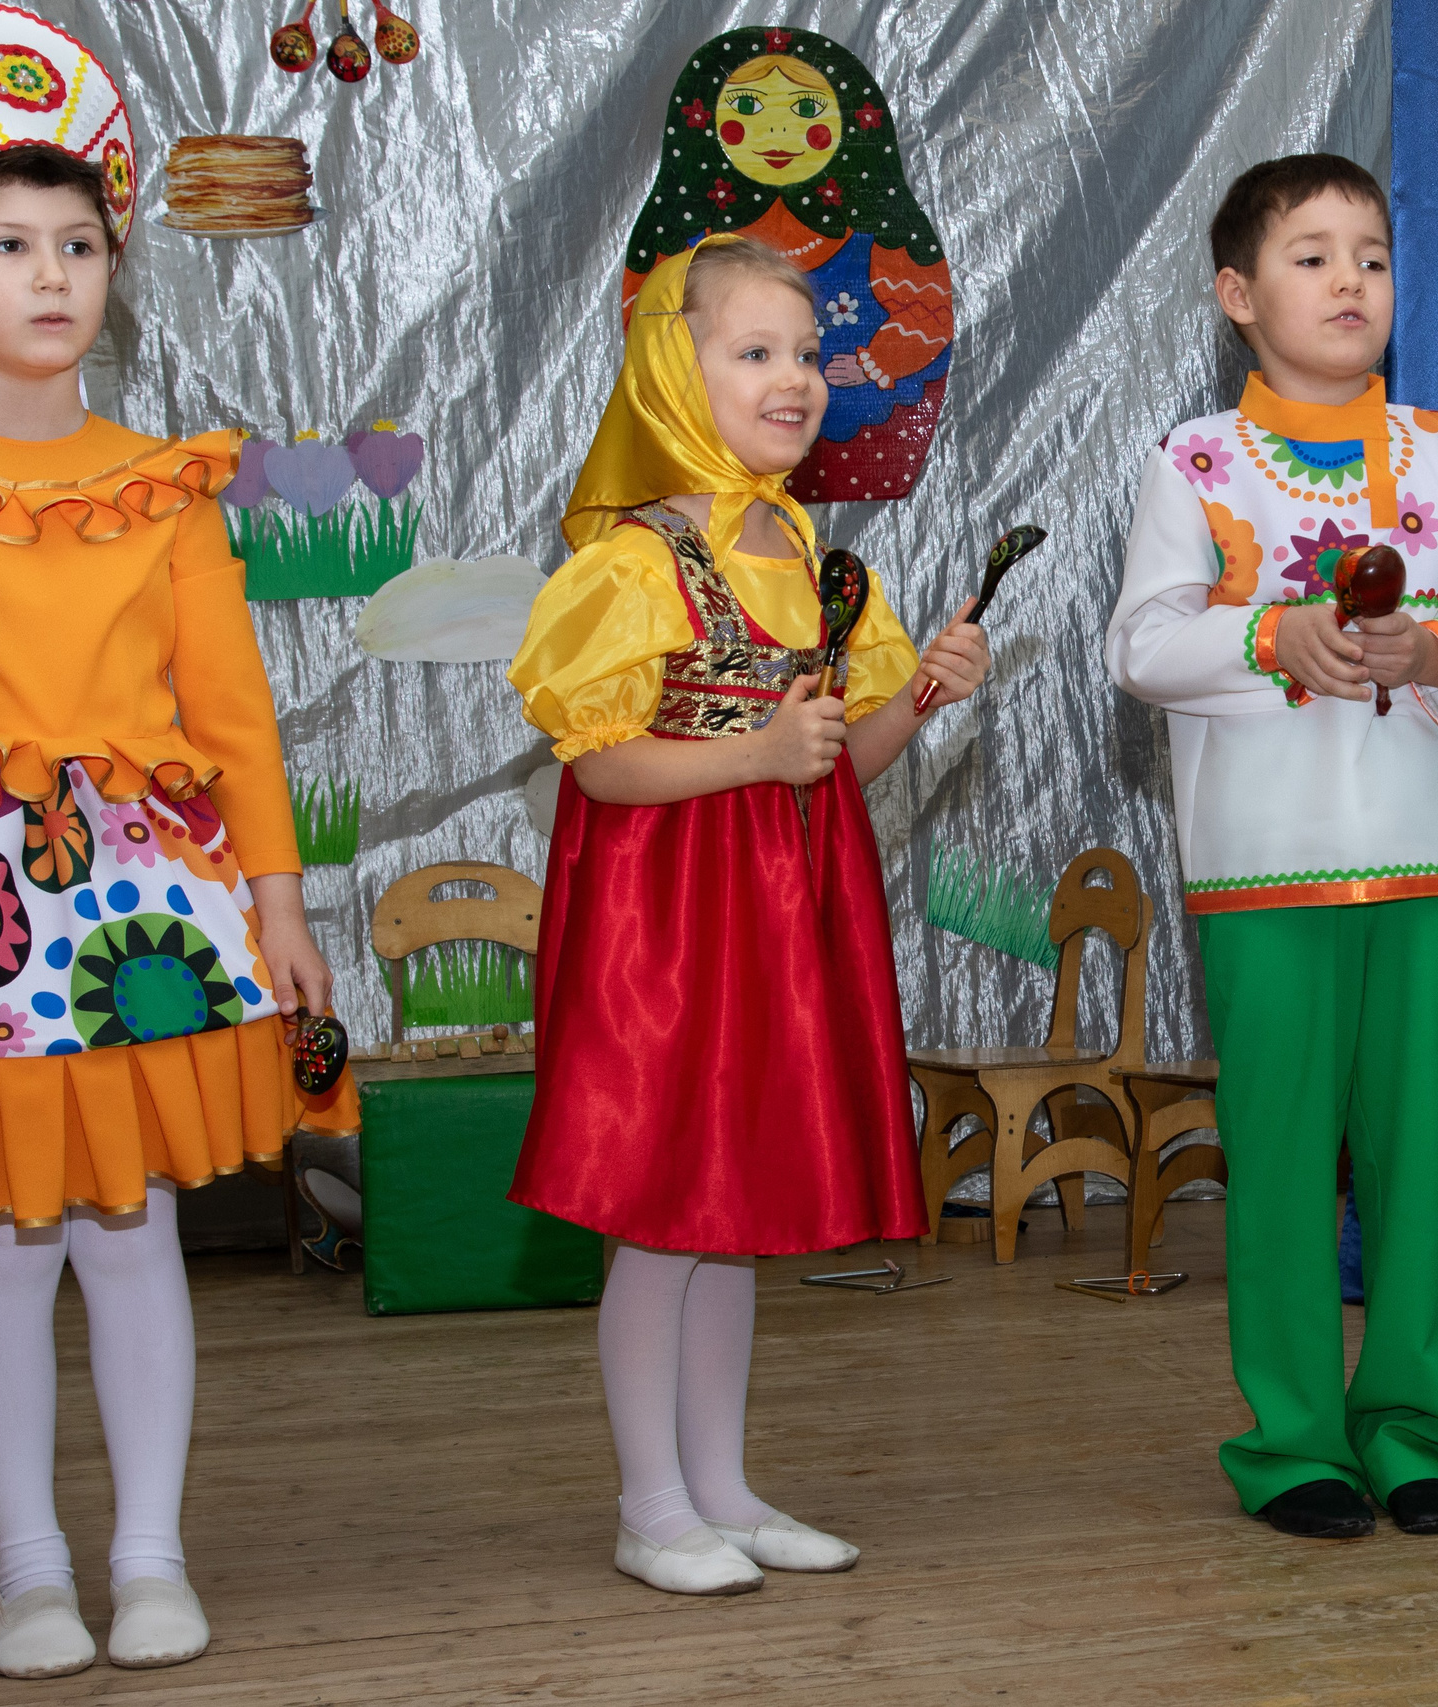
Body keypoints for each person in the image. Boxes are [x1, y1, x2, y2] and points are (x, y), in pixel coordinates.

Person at [0, 10, 349, 1679]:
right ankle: (30, 1568)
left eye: (80, 244)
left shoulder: (166, 485)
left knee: (131, 1224)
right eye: (8, 244)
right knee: (2, 1234)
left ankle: (151, 1553)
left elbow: (234, 712)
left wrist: (281, 905)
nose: (50, 275)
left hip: (140, 914)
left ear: (116, 268)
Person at [506, 233, 987, 1595]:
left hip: (783, 908)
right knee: (663, 1209)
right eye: (753, 352)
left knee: (728, 1211)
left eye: (809, 355)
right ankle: (649, 1502)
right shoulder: (634, 564)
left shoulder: (824, 568)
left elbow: (844, 757)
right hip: (668, 920)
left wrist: (920, 696)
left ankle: (719, 1485)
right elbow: (603, 762)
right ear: (674, 370)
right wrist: (751, 758)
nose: (796, 380)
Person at [1105, 155, 1438, 1540]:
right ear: (1238, 294)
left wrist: (1434, 645)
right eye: (1312, 255)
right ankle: (1294, 1439)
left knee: (1424, 1166)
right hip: (1264, 874)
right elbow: (1139, 646)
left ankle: (1418, 1428)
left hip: (1434, 869)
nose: (1350, 278)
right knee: (1288, 1166)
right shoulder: (1193, 460)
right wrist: (1268, 632)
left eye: (1370, 252)